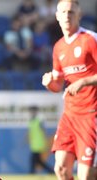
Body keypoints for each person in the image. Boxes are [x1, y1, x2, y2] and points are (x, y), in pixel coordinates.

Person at [42, 0, 97, 179]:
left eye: (71, 12)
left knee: (86, 175)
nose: (67, 16)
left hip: (91, 115)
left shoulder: (90, 39)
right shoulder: (58, 47)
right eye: (63, 12)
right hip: (69, 116)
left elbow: (82, 81)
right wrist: (49, 82)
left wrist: (84, 82)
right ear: (57, 16)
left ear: (79, 15)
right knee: (61, 169)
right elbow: (58, 86)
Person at [27, 106, 53, 174]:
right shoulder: (31, 121)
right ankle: (51, 171)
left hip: (39, 143)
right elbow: (31, 132)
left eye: (33, 111)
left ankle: (31, 173)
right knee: (38, 161)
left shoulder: (39, 121)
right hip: (34, 144)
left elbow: (43, 131)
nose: (31, 113)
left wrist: (45, 142)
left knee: (33, 159)